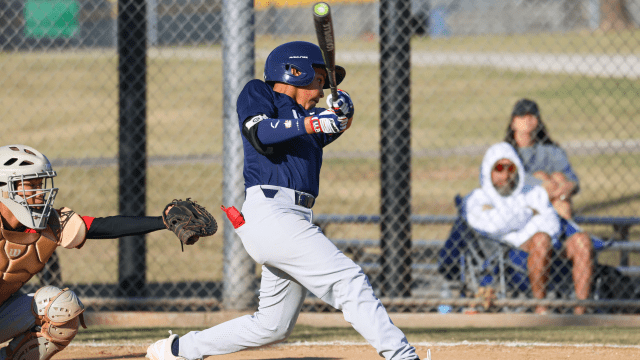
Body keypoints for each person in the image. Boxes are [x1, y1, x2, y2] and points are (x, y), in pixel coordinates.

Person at [146, 41, 423, 360]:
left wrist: (343, 115)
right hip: (271, 214)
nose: (320, 92)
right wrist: (317, 120)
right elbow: (260, 132)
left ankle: (178, 350)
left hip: (292, 220)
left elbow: (327, 126)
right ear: (295, 71)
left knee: (272, 325)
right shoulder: (259, 93)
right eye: (319, 81)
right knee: (348, 280)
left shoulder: (307, 120)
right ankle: (402, 355)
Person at [0, 144, 212, 360]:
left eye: (40, 184)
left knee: (61, 306)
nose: (40, 193)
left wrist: (164, 221)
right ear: (4, 189)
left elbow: (103, 226)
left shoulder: (48, 225)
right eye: (31, 185)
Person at [464, 142, 593, 314]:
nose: (505, 174)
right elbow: (494, 224)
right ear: (489, 170)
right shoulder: (478, 198)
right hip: (510, 257)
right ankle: (541, 309)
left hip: (549, 250)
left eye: (511, 168)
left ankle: (580, 314)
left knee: (581, 240)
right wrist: (528, 213)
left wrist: (516, 220)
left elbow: (551, 223)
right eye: (499, 168)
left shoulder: (533, 191)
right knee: (540, 239)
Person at [504, 98, 580, 219]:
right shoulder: (506, 152)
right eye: (522, 115)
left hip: (555, 199)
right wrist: (540, 184)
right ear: (513, 123)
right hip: (520, 202)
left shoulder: (551, 150)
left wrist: (568, 186)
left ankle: (561, 232)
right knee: (541, 176)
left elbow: (573, 179)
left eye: (532, 115)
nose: (528, 119)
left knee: (559, 178)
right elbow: (508, 180)